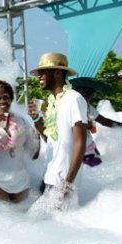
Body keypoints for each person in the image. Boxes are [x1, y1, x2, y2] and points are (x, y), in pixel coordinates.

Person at [28, 52, 87, 204]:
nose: (39, 76)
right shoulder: (52, 102)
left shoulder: (74, 98)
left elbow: (80, 143)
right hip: (50, 176)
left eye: (42, 72)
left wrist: (67, 184)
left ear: (58, 73)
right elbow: (51, 139)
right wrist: (36, 118)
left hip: (63, 181)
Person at [0, 80, 40, 202]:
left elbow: (34, 154)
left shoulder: (21, 121)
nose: (3, 101)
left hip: (21, 181)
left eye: (6, 97)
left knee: (23, 220)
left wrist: (37, 127)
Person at [70, 77, 122, 167]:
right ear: (76, 92)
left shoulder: (89, 108)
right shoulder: (70, 106)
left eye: (89, 92)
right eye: (83, 91)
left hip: (89, 147)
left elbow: (105, 121)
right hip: (74, 149)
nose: (86, 94)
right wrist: (85, 125)